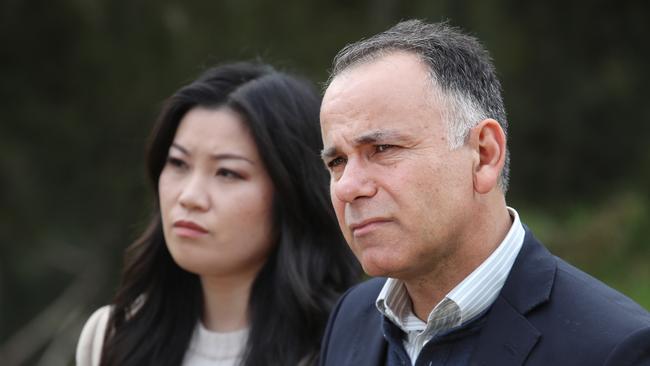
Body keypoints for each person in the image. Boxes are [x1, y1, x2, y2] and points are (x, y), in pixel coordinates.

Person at [318, 20, 650, 366]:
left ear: (484, 155)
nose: (347, 187)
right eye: (337, 161)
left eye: (383, 148)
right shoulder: (349, 319)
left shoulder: (615, 349)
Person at [75, 62, 361, 366]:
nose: (189, 197)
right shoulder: (111, 337)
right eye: (178, 164)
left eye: (227, 173)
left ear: (291, 192)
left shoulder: (351, 346)